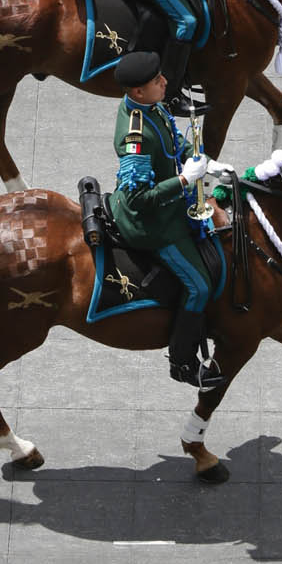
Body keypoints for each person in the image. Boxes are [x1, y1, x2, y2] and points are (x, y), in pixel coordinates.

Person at [109, 49, 225, 389]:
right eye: (156, 80)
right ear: (137, 92)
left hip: (171, 202)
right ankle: (183, 362)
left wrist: (205, 161)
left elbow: (175, 142)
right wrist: (186, 180)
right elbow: (139, 199)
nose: (165, 81)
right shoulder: (135, 136)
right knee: (199, 286)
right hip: (151, 224)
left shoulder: (152, 106)